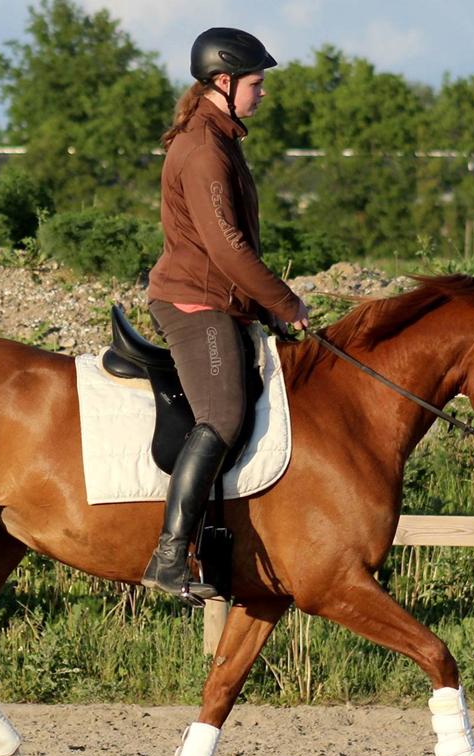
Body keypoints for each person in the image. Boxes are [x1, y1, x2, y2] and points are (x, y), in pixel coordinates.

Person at [141, 27, 310, 601]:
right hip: (197, 302)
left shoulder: (220, 139)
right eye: (256, 83)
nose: (263, 94)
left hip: (224, 299)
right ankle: (168, 556)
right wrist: (285, 303)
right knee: (225, 414)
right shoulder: (204, 149)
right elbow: (228, 248)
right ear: (224, 81)